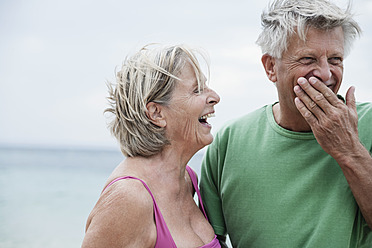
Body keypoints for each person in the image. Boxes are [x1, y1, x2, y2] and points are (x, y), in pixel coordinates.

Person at [200, 0, 372, 247]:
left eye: (335, 59)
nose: (325, 73)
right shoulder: (229, 141)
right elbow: (209, 240)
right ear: (271, 67)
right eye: (308, 59)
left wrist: (349, 150)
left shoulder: (369, 124)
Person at [82, 44, 221, 248]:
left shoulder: (187, 179)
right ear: (156, 113)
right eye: (197, 90)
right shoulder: (128, 197)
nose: (214, 97)